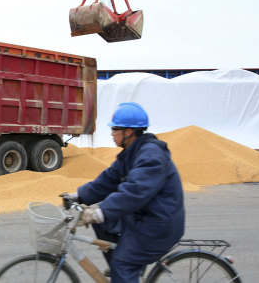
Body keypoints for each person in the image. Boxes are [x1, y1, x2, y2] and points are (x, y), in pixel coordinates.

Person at [63, 102, 185, 283]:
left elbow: (134, 192)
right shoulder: (132, 151)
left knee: (122, 263)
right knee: (103, 223)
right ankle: (125, 271)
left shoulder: (151, 156)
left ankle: (124, 268)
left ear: (128, 132)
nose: (111, 133)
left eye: (115, 129)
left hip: (158, 225)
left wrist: (100, 212)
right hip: (145, 217)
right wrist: (78, 196)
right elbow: (109, 179)